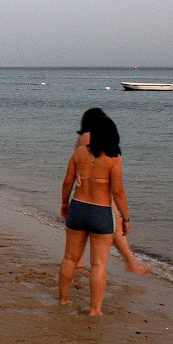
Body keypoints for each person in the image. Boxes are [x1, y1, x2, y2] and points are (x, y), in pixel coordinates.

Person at [59, 113, 130, 316]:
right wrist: (125, 218)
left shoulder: (79, 152)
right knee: (98, 264)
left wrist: (65, 203)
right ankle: (94, 310)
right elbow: (117, 192)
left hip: (78, 207)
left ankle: (63, 299)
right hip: (100, 211)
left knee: (69, 259)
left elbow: (67, 181)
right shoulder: (114, 159)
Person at [73, 109, 150, 276]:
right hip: (99, 193)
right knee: (114, 227)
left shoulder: (83, 138)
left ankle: (80, 263)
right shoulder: (89, 138)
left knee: (86, 229)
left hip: (87, 192)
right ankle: (131, 263)